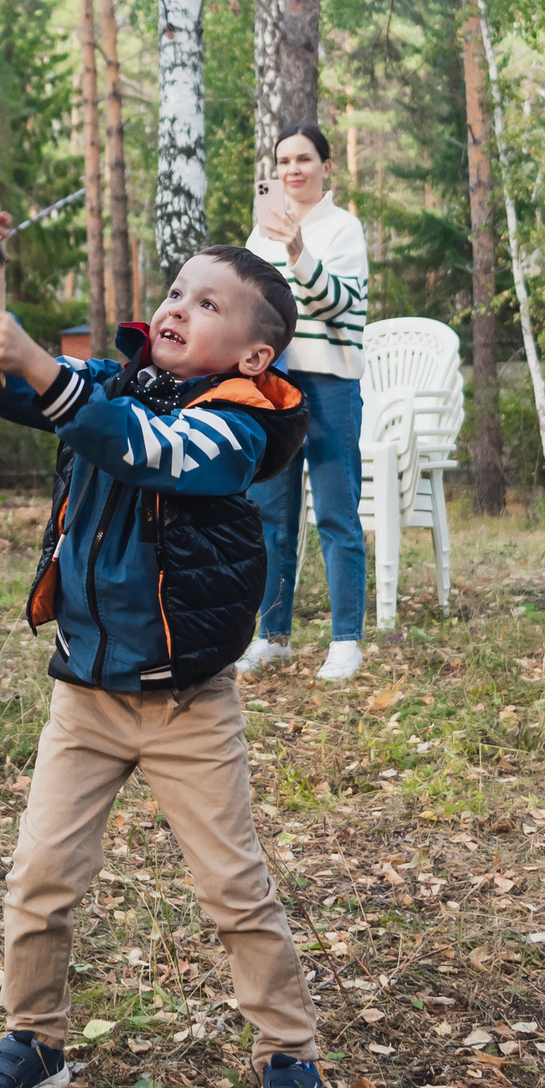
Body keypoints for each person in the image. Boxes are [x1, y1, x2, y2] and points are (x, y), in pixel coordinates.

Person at [0, 198, 327, 1088]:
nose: (176, 308)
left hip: (189, 703)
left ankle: (291, 1056)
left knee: (233, 887)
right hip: (85, 695)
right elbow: (4, 381)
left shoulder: (235, 425)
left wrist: (45, 369)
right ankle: (35, 1040)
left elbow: (146, 450)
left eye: (207, 303)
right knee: (38, 877)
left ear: (251, 355)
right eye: (175, 292)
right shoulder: (113, 382)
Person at [240, 123, 373, 683]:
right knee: (270, 514)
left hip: (329, 386)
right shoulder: (258, 235)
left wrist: (297, 251)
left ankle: (346, 641)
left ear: (326, 166)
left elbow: (341, 304)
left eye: (303, 159)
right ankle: (272, 636)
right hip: (272, 384)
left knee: (337, 513)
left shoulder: (344, 229)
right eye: (283, 161)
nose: (292, 170)